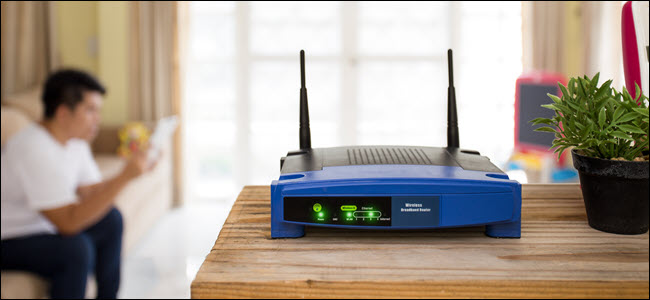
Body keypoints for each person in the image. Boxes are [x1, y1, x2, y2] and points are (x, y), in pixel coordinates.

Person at [1, 69, 156, 299]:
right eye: (91, 110)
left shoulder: (75, 141)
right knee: (75, 249)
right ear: (63, 113)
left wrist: (134, 171)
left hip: (43, 227)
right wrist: (124, 177)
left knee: (111, 219)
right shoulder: (33, 148)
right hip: (10, 238)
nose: (98, 119)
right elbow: (68, 224)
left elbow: (90, 191)